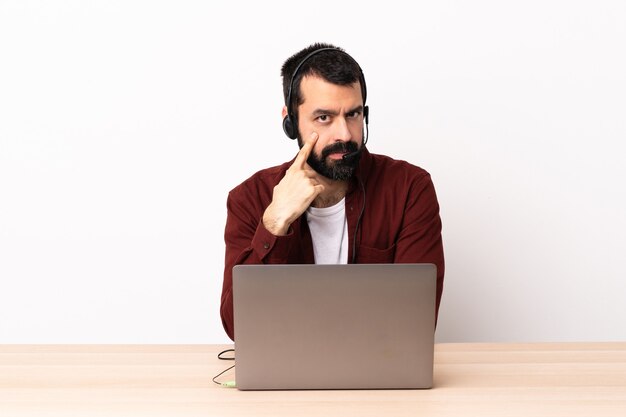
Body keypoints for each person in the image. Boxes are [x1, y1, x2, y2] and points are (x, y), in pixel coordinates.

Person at [220, 43, 444, 341]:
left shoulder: (408, 189)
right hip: (286, 378)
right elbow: (239, 328)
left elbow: (416, 320)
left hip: (379, 375)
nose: (345, 134)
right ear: (290, 122)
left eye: (353, 115)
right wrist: (274, 224)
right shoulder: (250, 198)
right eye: (324, 118)